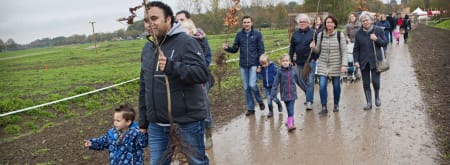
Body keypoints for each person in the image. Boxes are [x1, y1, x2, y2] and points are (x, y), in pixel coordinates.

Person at [139, 1, 209, 164]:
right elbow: (144, 86)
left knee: (196, 162)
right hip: (156, 124)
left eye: (154, 18)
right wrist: (143, 122)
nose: (150, 24)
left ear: (168, 19)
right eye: (146, 20)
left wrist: (172, 66)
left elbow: (202, 73)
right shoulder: (148, 49)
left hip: (186, 121)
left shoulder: (186, 42)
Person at [178, 15, 214, 150]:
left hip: (200, 81)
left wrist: (197, 70)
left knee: (204, 106)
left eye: (185, 30)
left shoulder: (201, 41)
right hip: (184, 81)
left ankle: (208, 134)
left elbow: (207, 58)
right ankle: (190, 139)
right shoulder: (178, 43)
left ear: (191, 31)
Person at [222, 15, 265, 116]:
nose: (246, 24)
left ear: (251, 23)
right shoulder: (239, 35)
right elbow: (235, 49)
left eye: (248, 22)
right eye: (245, 22)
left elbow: (261, 50)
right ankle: (250, 108)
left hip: (254, 63)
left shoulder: (257, 34)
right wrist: (227, 48)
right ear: (242, 24)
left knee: (252, 85)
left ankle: (260, 101)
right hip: (243, 65)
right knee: (246, 88)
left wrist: (260, 64)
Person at [311, 15, 347, 114]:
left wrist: (344, 65)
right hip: (323, 63)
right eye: (327, 22)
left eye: (331, 22)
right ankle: (324, 107)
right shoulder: (320, 35)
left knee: (336, 86)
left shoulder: (340, 35)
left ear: (335, 24)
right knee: (322, 85)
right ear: (325, 24)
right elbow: (318, 50)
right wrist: (313, 47)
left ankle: (336, 104)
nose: (329, 24)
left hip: (336, 63)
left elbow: (344, 51)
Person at [353, 13, 388, 110]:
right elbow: (356, 49)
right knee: (366, 83)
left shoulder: (378, 30)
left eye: (367, 20)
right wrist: (356, 60)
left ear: (371, 20)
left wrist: (376, 39)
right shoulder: (358, 33)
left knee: (375, 81)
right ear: (361, 22)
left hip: (375, 60)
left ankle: (377, 97)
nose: (365, 22)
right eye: (363, 21)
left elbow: (384, 43)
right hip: (363, 61)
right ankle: (368, 102)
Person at [289, 13, 317, 110]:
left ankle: (309, 101)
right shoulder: (295, 34)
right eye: (301, 22)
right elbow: (292, 47)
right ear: (298, 23)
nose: (302, 23)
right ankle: (308, 93)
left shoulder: (313, 33)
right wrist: (290, 59)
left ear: (308, 23)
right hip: (299, 61)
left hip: (310, 61)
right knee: (299, 79)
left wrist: (314, 49)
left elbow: (318, 48)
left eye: (304, 21)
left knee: (310, 81)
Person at [270, 54, 301, 132]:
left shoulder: (293, 70)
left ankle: (290, 125)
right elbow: (275, 83)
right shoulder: (279, 72)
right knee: (288, 108)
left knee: (291, 109)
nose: (285, 62)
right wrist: (272, 94)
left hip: (293, 93)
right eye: (283, 61)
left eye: (287, 61)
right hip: (284, 94)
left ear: (290, 62)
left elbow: (299, 80)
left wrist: (306, 89)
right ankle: (289, 121)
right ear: (280, 62)